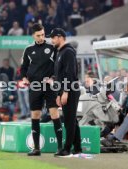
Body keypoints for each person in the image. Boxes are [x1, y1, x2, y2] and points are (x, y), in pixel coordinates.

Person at [20, 23, 62, 156]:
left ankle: (60, 147)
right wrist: (24, 78)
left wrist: (53, 78)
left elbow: (58, 66)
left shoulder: (52, 47)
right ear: (33, 35)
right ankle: (36, 148)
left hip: (49, 87)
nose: (41, 37)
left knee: (54, 115)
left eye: (43, 34)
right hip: (35, 86)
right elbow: (24, 68)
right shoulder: (28, 50)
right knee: (35, 116)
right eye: (38, 35)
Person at [49, 28, 82, 156]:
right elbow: (59, 76)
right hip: (65, 90)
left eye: (53, 37)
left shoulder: (68, 52)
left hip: (71, 90)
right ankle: (78, 147)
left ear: (60, 37)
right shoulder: (60, 53)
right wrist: (59, 93)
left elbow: (69, 73)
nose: (52, 40)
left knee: (69, 120)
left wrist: (66, 91)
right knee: (72, 119)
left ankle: (67, 149)